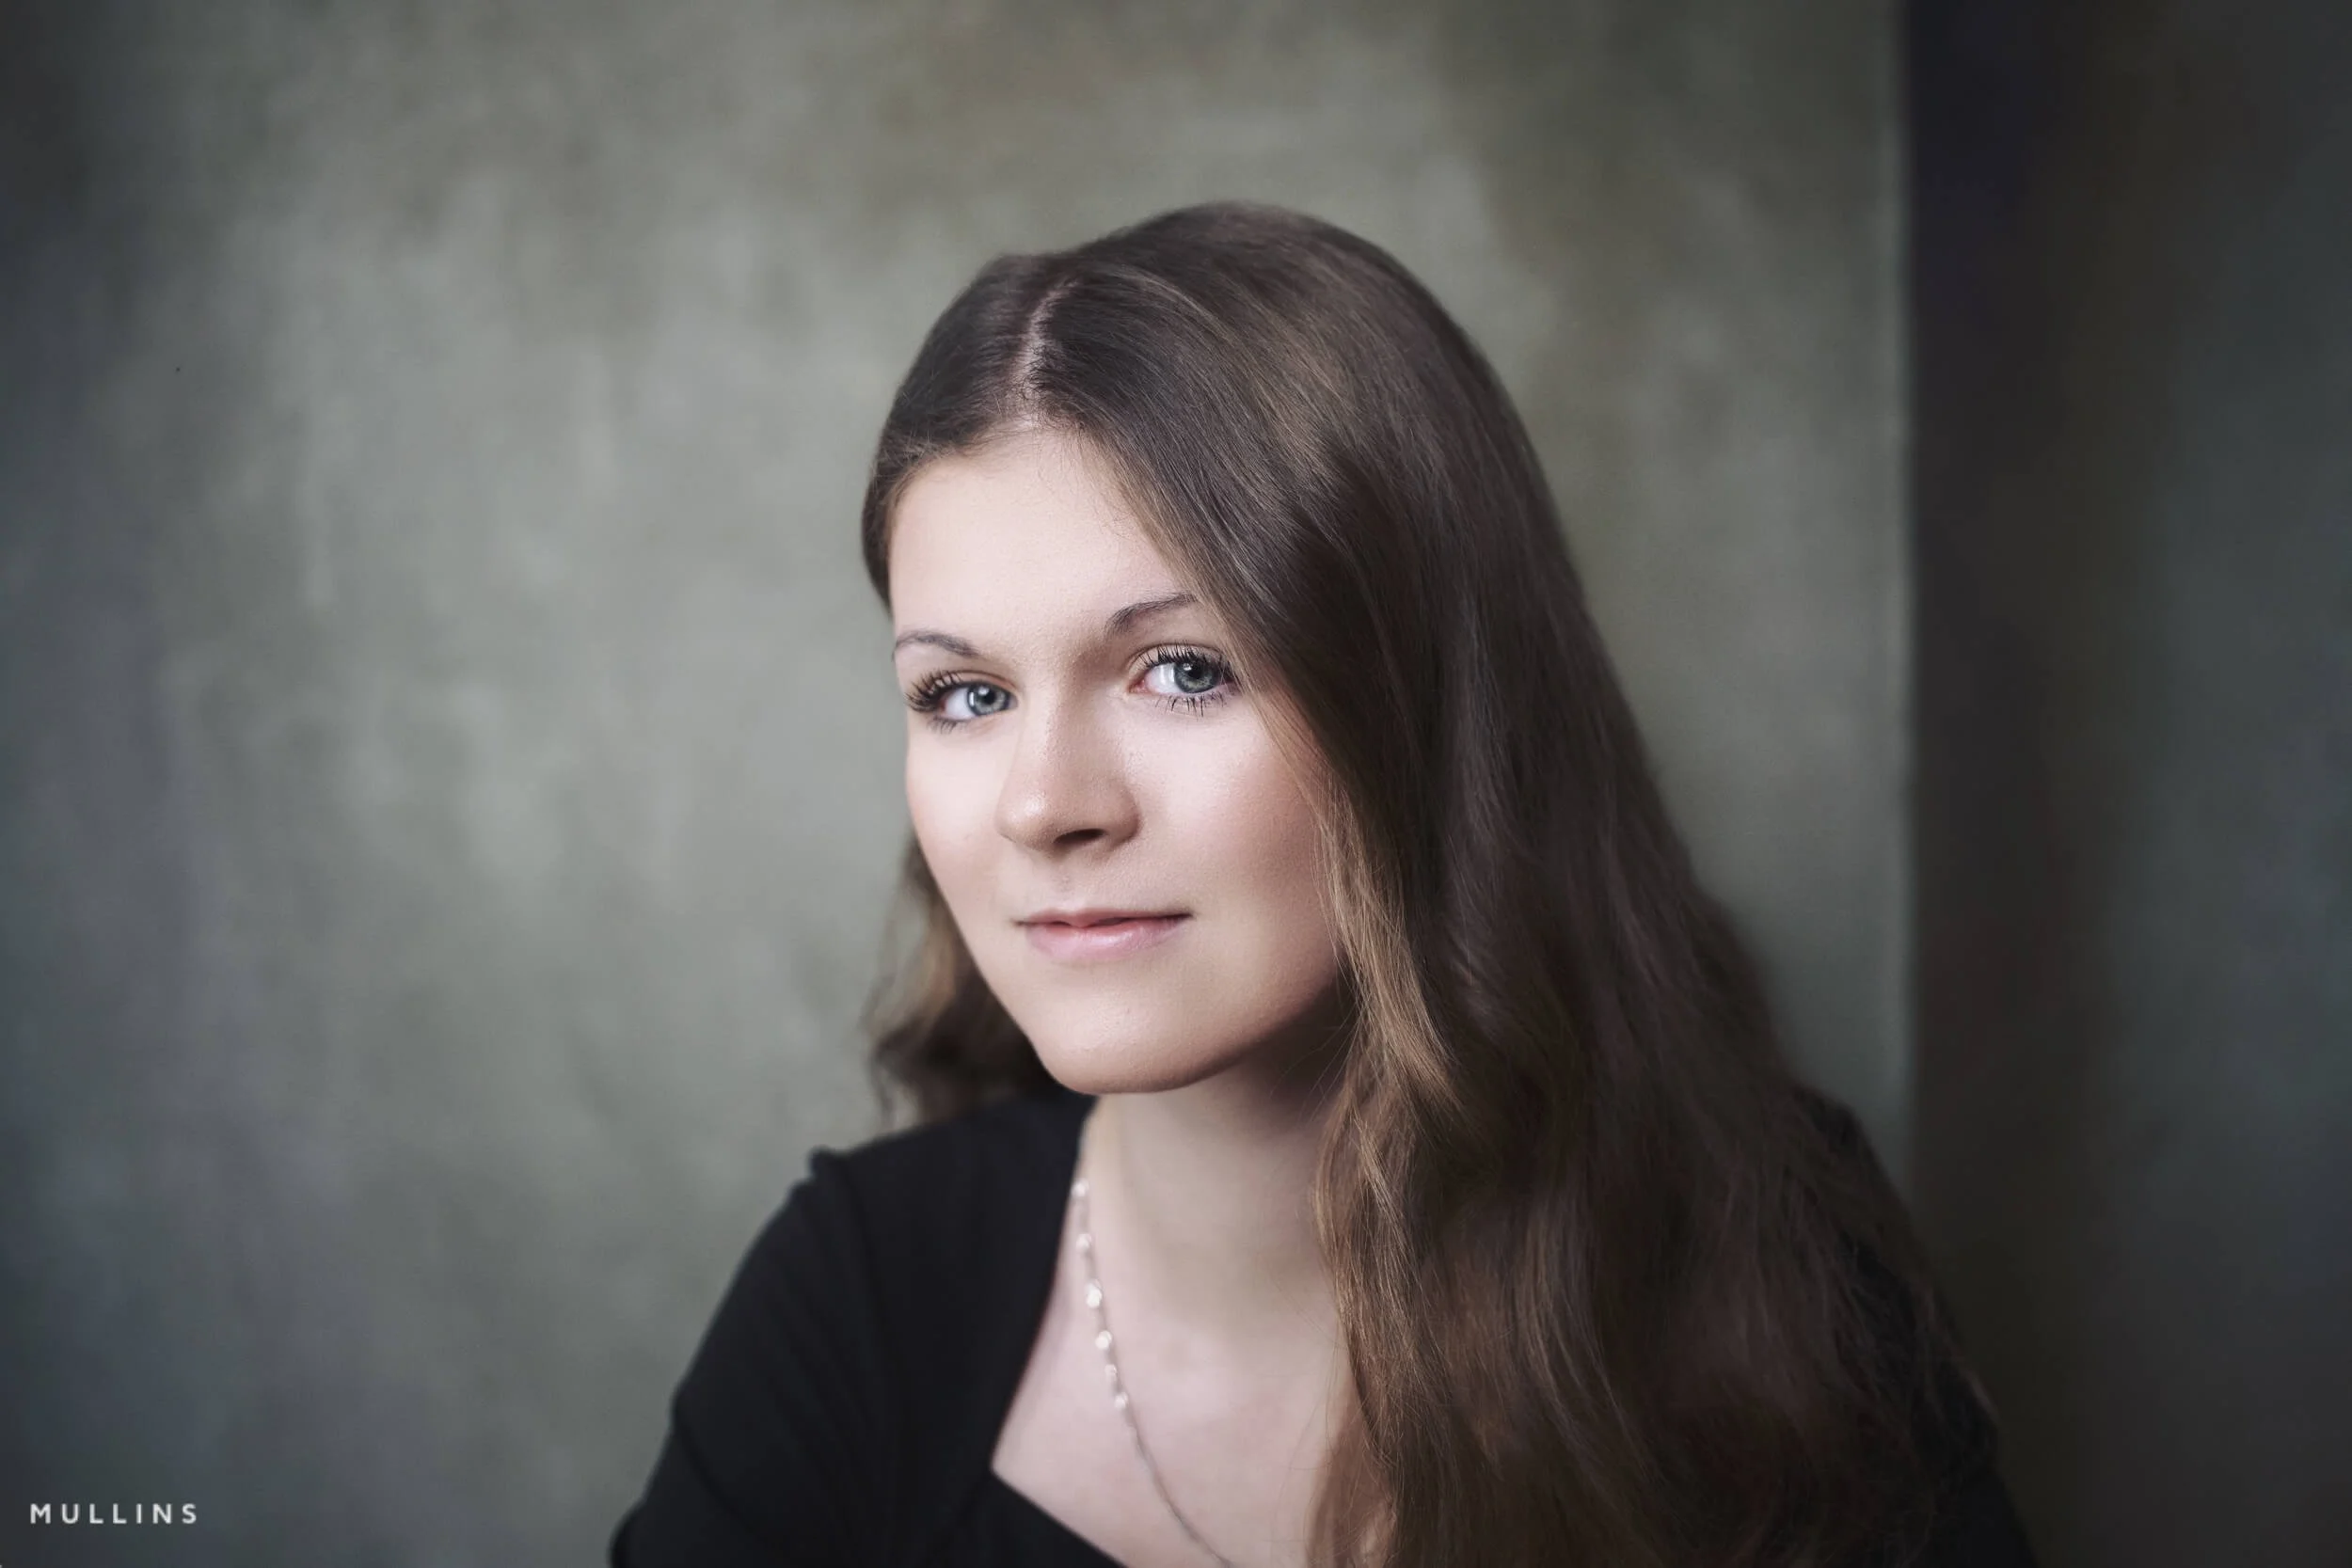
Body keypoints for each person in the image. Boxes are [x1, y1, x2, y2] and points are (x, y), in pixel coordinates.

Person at [609, 201, 2041, 1567]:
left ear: (1429, 711)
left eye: (1183, 669)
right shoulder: (861, 1298)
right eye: (965, 693)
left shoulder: (1780, 1263)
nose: (1045, 803)